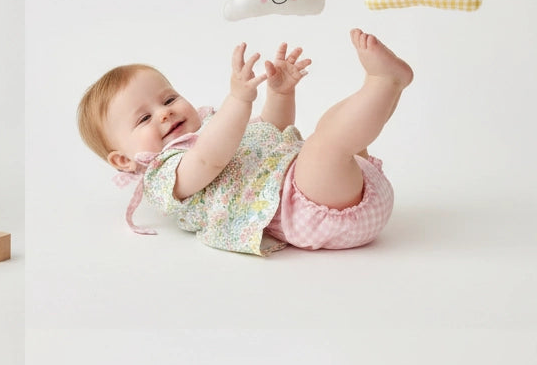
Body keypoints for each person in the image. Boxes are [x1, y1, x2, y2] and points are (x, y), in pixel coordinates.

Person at [77, 30, 412, 255]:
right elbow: (209, 159)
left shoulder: (213, 127)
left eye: (168, 99)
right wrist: (238, 99)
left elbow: (272, 131)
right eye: (143, 119)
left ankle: (389, 87)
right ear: (122, 160)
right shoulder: (164, 175)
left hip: (348, 184)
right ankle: (384, 82)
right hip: (309, 211)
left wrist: (280, 94)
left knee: (333, 129)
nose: (164, 114)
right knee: (326, 144)